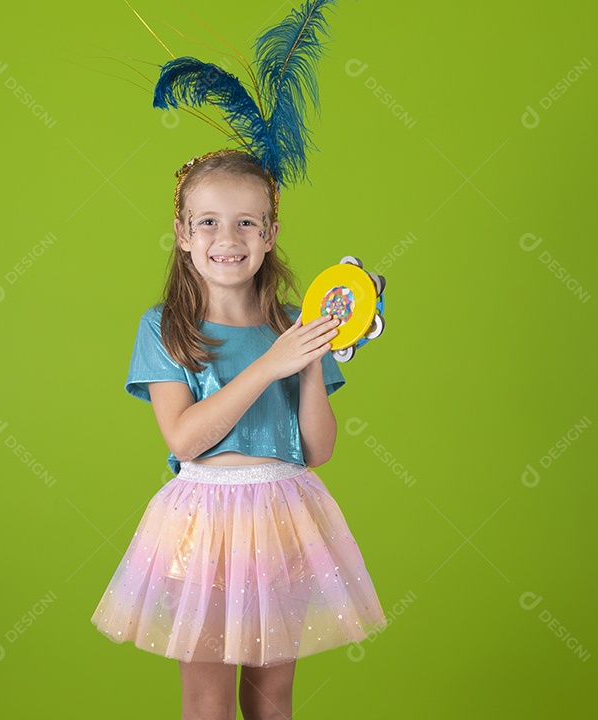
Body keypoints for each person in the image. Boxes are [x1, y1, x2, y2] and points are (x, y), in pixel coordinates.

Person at [90, 148, 385, 719]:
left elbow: (318, 448)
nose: (228, 237)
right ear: (182, 234)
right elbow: (182, 439)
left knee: (272, 700)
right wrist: (271, 364)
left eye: (247, 221)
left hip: (284, 516)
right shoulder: (166, 327)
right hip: (203, 524)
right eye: (208, 222)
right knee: (208, 702)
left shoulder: (295, 325)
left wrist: (304, 360)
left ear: (271, 233)